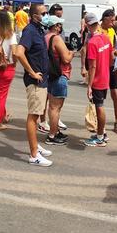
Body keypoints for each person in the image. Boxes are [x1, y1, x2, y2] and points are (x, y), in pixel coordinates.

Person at [11, 3, 53, 167]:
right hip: (35, 81)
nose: (46, 15)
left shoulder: (38, 30)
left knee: (36, 114)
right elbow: (19, 52)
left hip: (42, 80)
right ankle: (34, 154)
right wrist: (31, 72)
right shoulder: (29, 31)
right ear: (35, 15)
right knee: (33, 116)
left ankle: (36, 146)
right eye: (44, 13)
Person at [84, 13, 112, 147]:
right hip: (105, 76)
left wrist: (89, 85)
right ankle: (102, 133)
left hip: (98, 79)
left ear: (88, 25)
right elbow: (111, 57)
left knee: (99, 106)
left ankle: (100, 137)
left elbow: (92, 65)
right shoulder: (106, 38)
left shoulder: (92, 42)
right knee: (99, 105)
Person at [43, 15, 72, 145]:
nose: (61, 27)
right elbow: (66, 59)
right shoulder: (56, 39)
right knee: (55, 108)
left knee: (53, 106)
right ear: (55, 26)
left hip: (50, 74)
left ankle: (55, 131)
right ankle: (52, 135)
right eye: (59, 24)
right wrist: (71, 52)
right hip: (59, 74)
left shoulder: (45, 37)